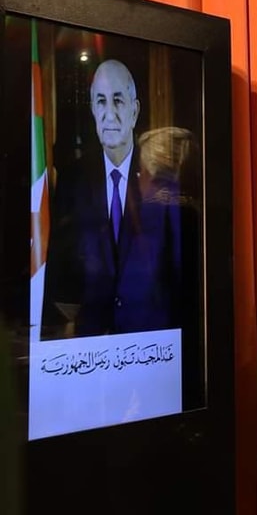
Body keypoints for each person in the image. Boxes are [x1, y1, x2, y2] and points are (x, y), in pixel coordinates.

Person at [42, 59, 183, 339]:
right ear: (93, 110)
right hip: (91, 341)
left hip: (150, 341)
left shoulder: (161, 180)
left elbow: (178, 275)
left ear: (135, 110)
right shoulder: (73, 180)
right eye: (101, 102)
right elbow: (60, 266)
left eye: (118, 101)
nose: (109, 114)